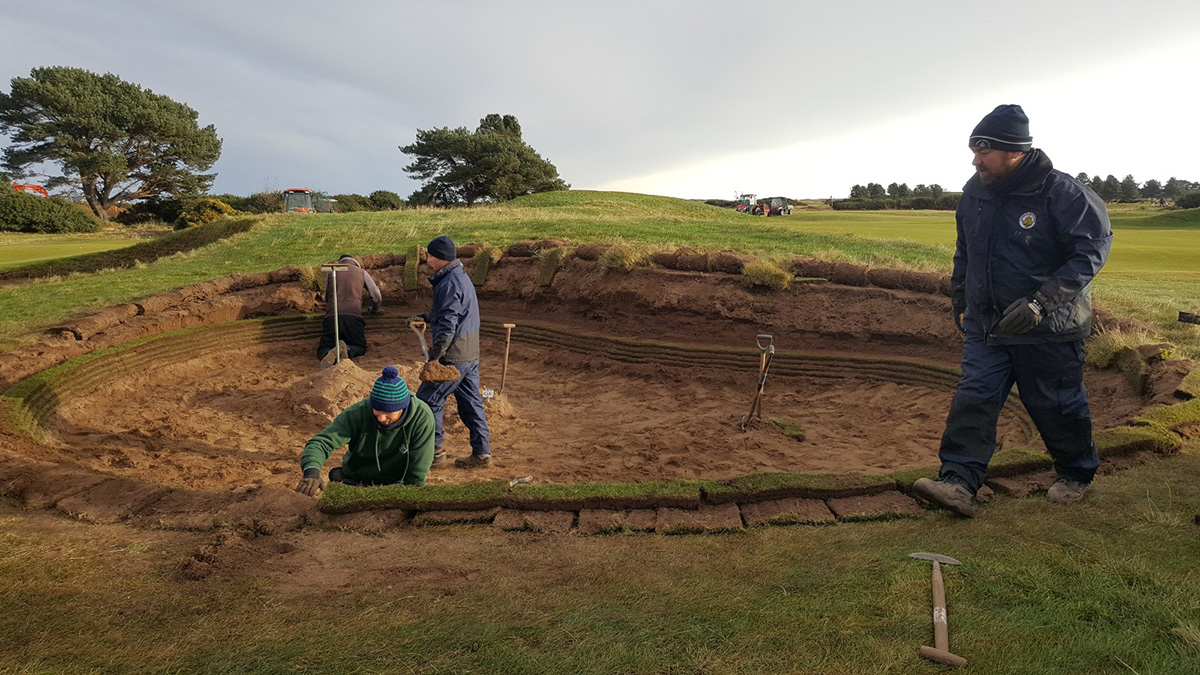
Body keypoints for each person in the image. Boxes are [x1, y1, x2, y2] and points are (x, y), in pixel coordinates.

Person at [912, 104, 1113, 517]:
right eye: (973, 149)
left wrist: (1041, 302)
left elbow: (1090, 252)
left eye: (984, 151)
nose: (975, 159)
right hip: (988, 326)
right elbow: (965, 251)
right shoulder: (975, 193)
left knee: (1056, 405)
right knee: (975, 398)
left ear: (1014, 152)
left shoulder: (1063, 193)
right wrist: (960, 299)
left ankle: (1075, 474)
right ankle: (958, 483)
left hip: (1049, 329)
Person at [408, 235, 493, 468]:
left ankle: (434, 454)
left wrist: (435, 358)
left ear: (441, 258)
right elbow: (451, 312)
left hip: (453, 355)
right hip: (469, 353)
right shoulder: (460, 278)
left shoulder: (448, 283)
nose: (427, 261)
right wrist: (427, 317)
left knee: (428, 401)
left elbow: (447, 325)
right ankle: (482, 453)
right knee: (471, 402)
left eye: (430, 256)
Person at [295, 365, 436, 495]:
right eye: (377, 410)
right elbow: (321, 443)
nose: (381, 418)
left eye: (388, 413)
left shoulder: (422, 418)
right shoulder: (358, 413)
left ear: (402, 407)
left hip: (395, 485)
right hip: (357, 479)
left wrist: (410, 496)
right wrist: (311, 472)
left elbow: (419, 467)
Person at [317, 254, 382, 364]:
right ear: (355, 263)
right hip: (353, 317)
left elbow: (327, 297)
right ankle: (347, 349)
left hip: (332, 317)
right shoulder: (361, 272)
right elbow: (376, 295)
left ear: (340, 262)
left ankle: (329, 352)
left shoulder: (331, 272)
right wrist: (374, 309)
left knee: (324, 347)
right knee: (359, 346)